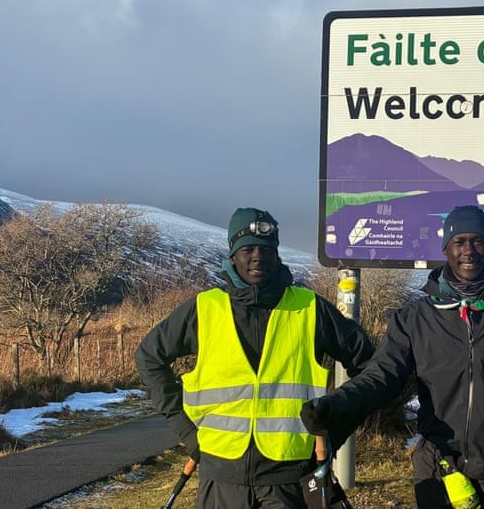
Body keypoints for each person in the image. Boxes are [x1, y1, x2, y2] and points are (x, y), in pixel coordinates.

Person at [300, 205, 484, 508]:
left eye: (478, 241)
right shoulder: (416, 318)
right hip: (438, 469)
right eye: (459, 242)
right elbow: (380, 376)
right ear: (446, 248)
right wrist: (336, 406)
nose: (469, 251)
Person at [136, 207, 374, 508]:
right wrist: (186, 431)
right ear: (233, 255)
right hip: (220, 477)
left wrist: (335, 419)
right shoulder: (204, 309)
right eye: (247, 249)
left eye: (266, 249)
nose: (258, 257)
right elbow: (148, 357)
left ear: (277, 254)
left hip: (288, 480)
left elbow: (373, 367)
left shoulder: (310, 308)